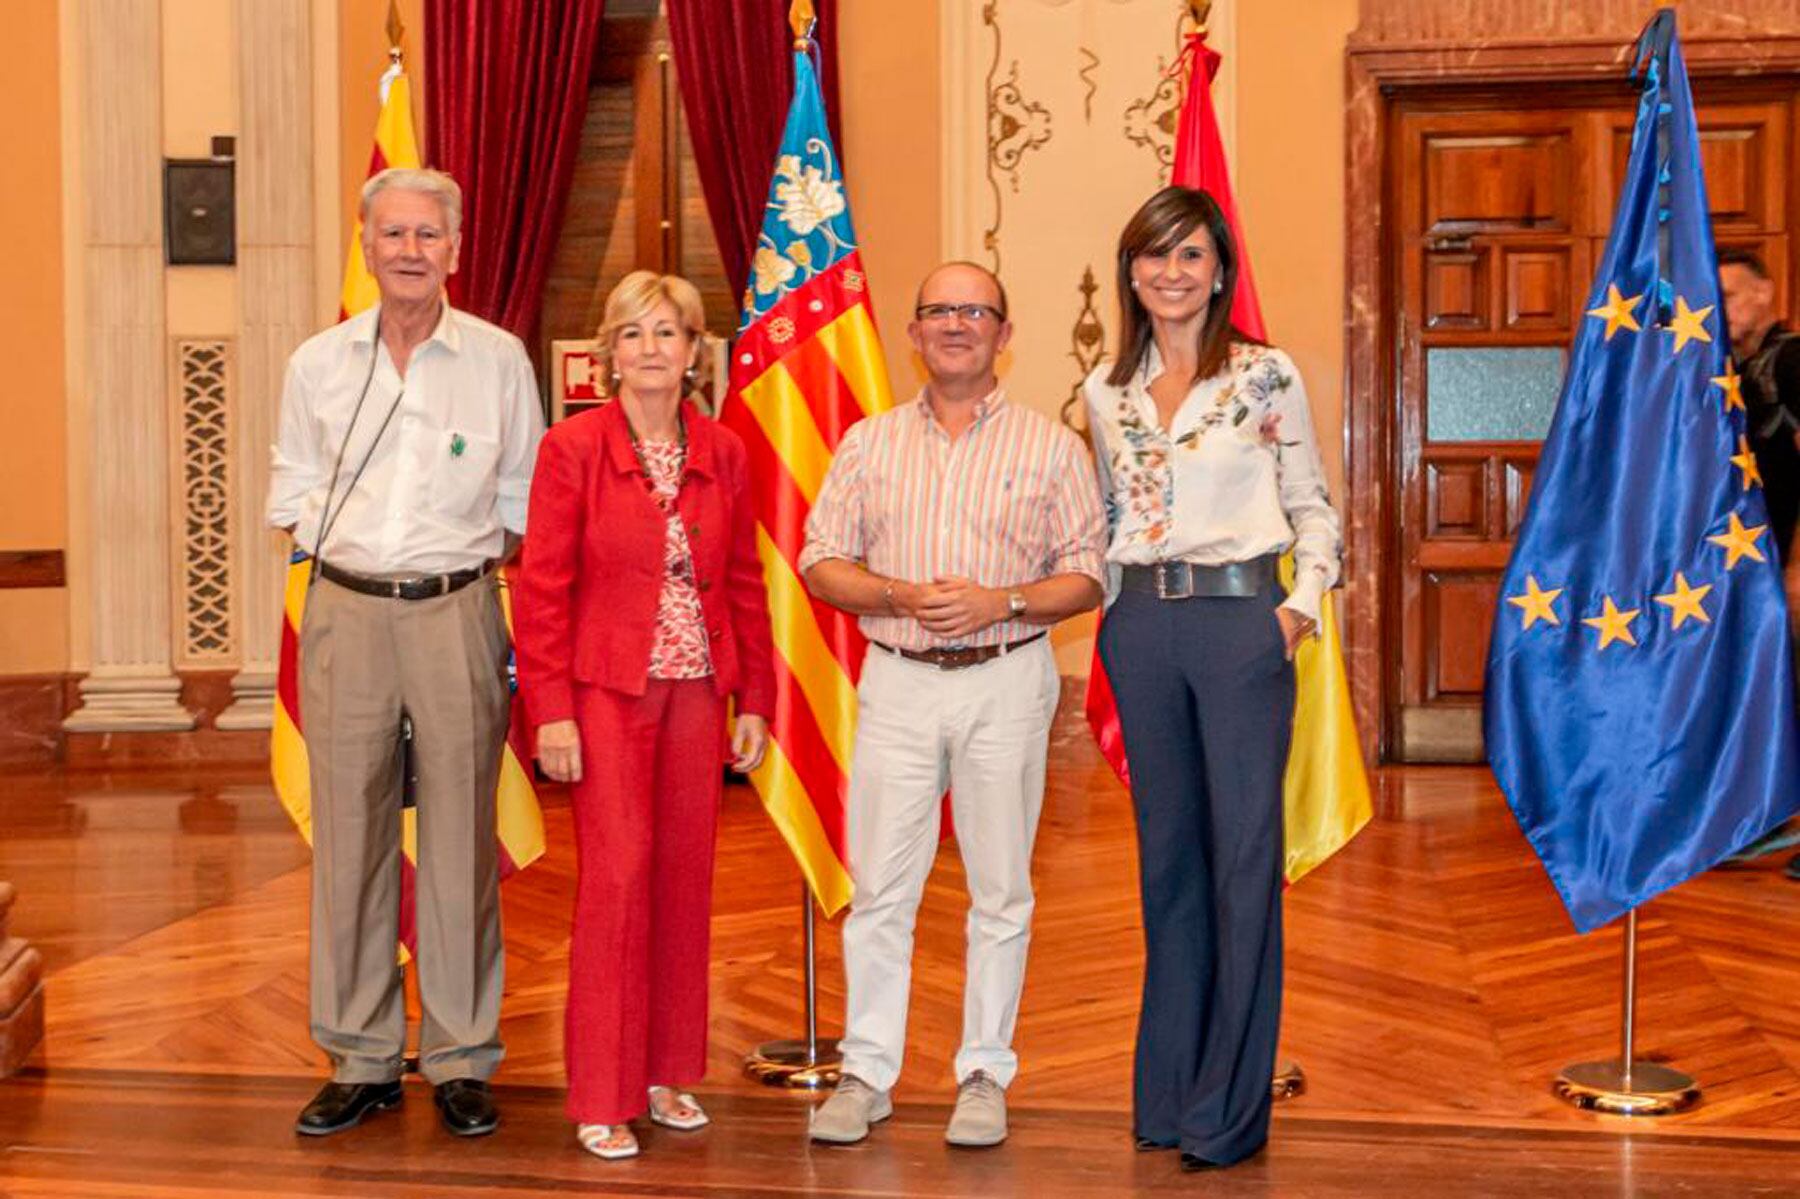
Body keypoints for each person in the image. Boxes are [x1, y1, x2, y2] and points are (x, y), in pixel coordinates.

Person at [802, 261, 1106, 1149]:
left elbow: (1087, 574)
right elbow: (822, 560)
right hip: (896, 680)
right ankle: (866, 1072)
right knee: (881, 889)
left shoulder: (1054, 447)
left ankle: (983, 1070)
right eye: (938, 310)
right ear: (914, 331)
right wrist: (896, 595)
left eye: (975, 310)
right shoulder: (868, 442)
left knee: (1000, 888)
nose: (956, 323)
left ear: (1005, 334)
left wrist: (1000, 602)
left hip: (1008, 677)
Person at [267, 167, 544, 1138]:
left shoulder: (501, 360)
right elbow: (289, 486)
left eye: (429, 235)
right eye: (393, 234)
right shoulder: (318, 363)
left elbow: (523, 497)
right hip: (345, 614)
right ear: (367, 244)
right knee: (350, 836)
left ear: (455, 250)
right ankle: (360, 1053)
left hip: (458, 611)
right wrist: (344, 553)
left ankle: (463, 1055)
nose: (411, 251)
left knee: (463, 838)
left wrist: (453, 569)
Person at [1083, 185, 1341, 1169]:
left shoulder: (1265, 377)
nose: (1173, 273)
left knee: (1242, 865)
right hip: (1141, 625)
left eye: (1191, 255)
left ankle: (1228, 1110)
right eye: (1155, 255)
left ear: (1219, 269)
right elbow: (1106, 518)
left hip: (1243, 623)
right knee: (1169, 867)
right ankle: (1166, 1096)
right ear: (1132, 271)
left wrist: (1295, 610)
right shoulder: (1101, 390)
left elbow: (1312, 506)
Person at [513, 270, 774, 1161]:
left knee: (684, 880)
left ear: (696, 351)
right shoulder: (573, 448)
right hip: (604, 695)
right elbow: (541, 587)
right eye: (634, 334)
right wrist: (549, 710)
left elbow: (743, 578)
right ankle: (601, 1089)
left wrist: (758, 698)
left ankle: (666, 1071)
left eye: (669, 333)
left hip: (699, 692)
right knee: (617, 880)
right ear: (607, 354)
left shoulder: (725, 450)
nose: (652, 349)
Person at [1718, 247, 1800, 873]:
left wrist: (1799, 568)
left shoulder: (1792, 360)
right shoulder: (1744, 370)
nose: (1723, 307)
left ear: (1768, 294)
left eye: (1734, 294)